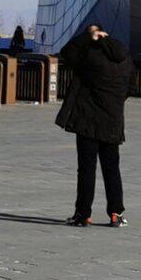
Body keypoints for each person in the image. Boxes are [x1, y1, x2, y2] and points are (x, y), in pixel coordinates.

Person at [56, 22, 130, 225]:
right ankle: (116, 213)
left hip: (87, 122)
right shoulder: (124, 60)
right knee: (112, 169)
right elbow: (127, 89)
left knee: (86, 169)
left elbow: (66, 52)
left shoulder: (90, 59)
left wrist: (87, 37)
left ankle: (83, 214)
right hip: (113, 123)